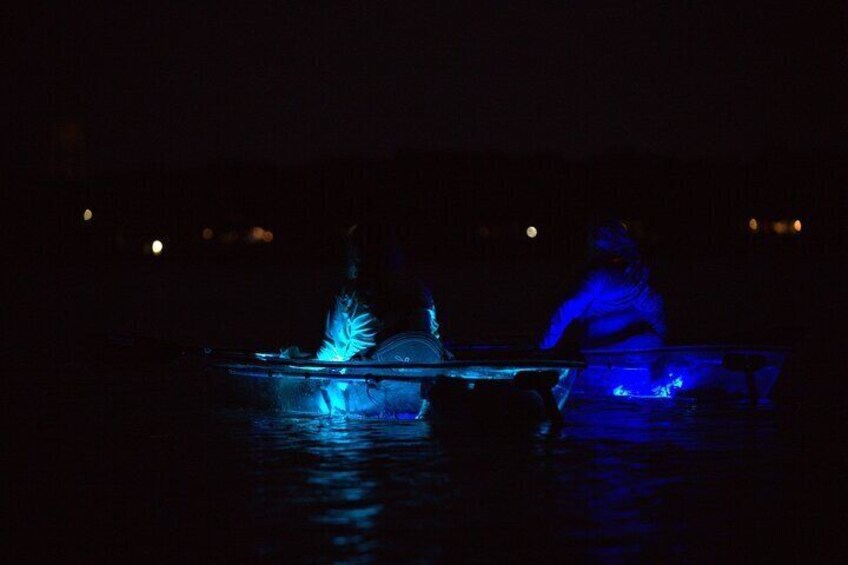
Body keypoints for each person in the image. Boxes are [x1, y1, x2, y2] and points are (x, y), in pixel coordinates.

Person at [315, 222, 444, 363]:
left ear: (356, 255)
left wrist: (295, 359)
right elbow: (433, 340)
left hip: (365, 379)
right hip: (415, 379)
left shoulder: (349, 294)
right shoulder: (420, 290)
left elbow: (332, 354)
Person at [540, 221, 665, 352]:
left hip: (607, 354)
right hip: (643, 349)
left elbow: (569, 307)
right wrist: (661, 340)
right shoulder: (638, 274)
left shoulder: (600, 276)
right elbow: (655, 310)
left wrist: (544, 345)